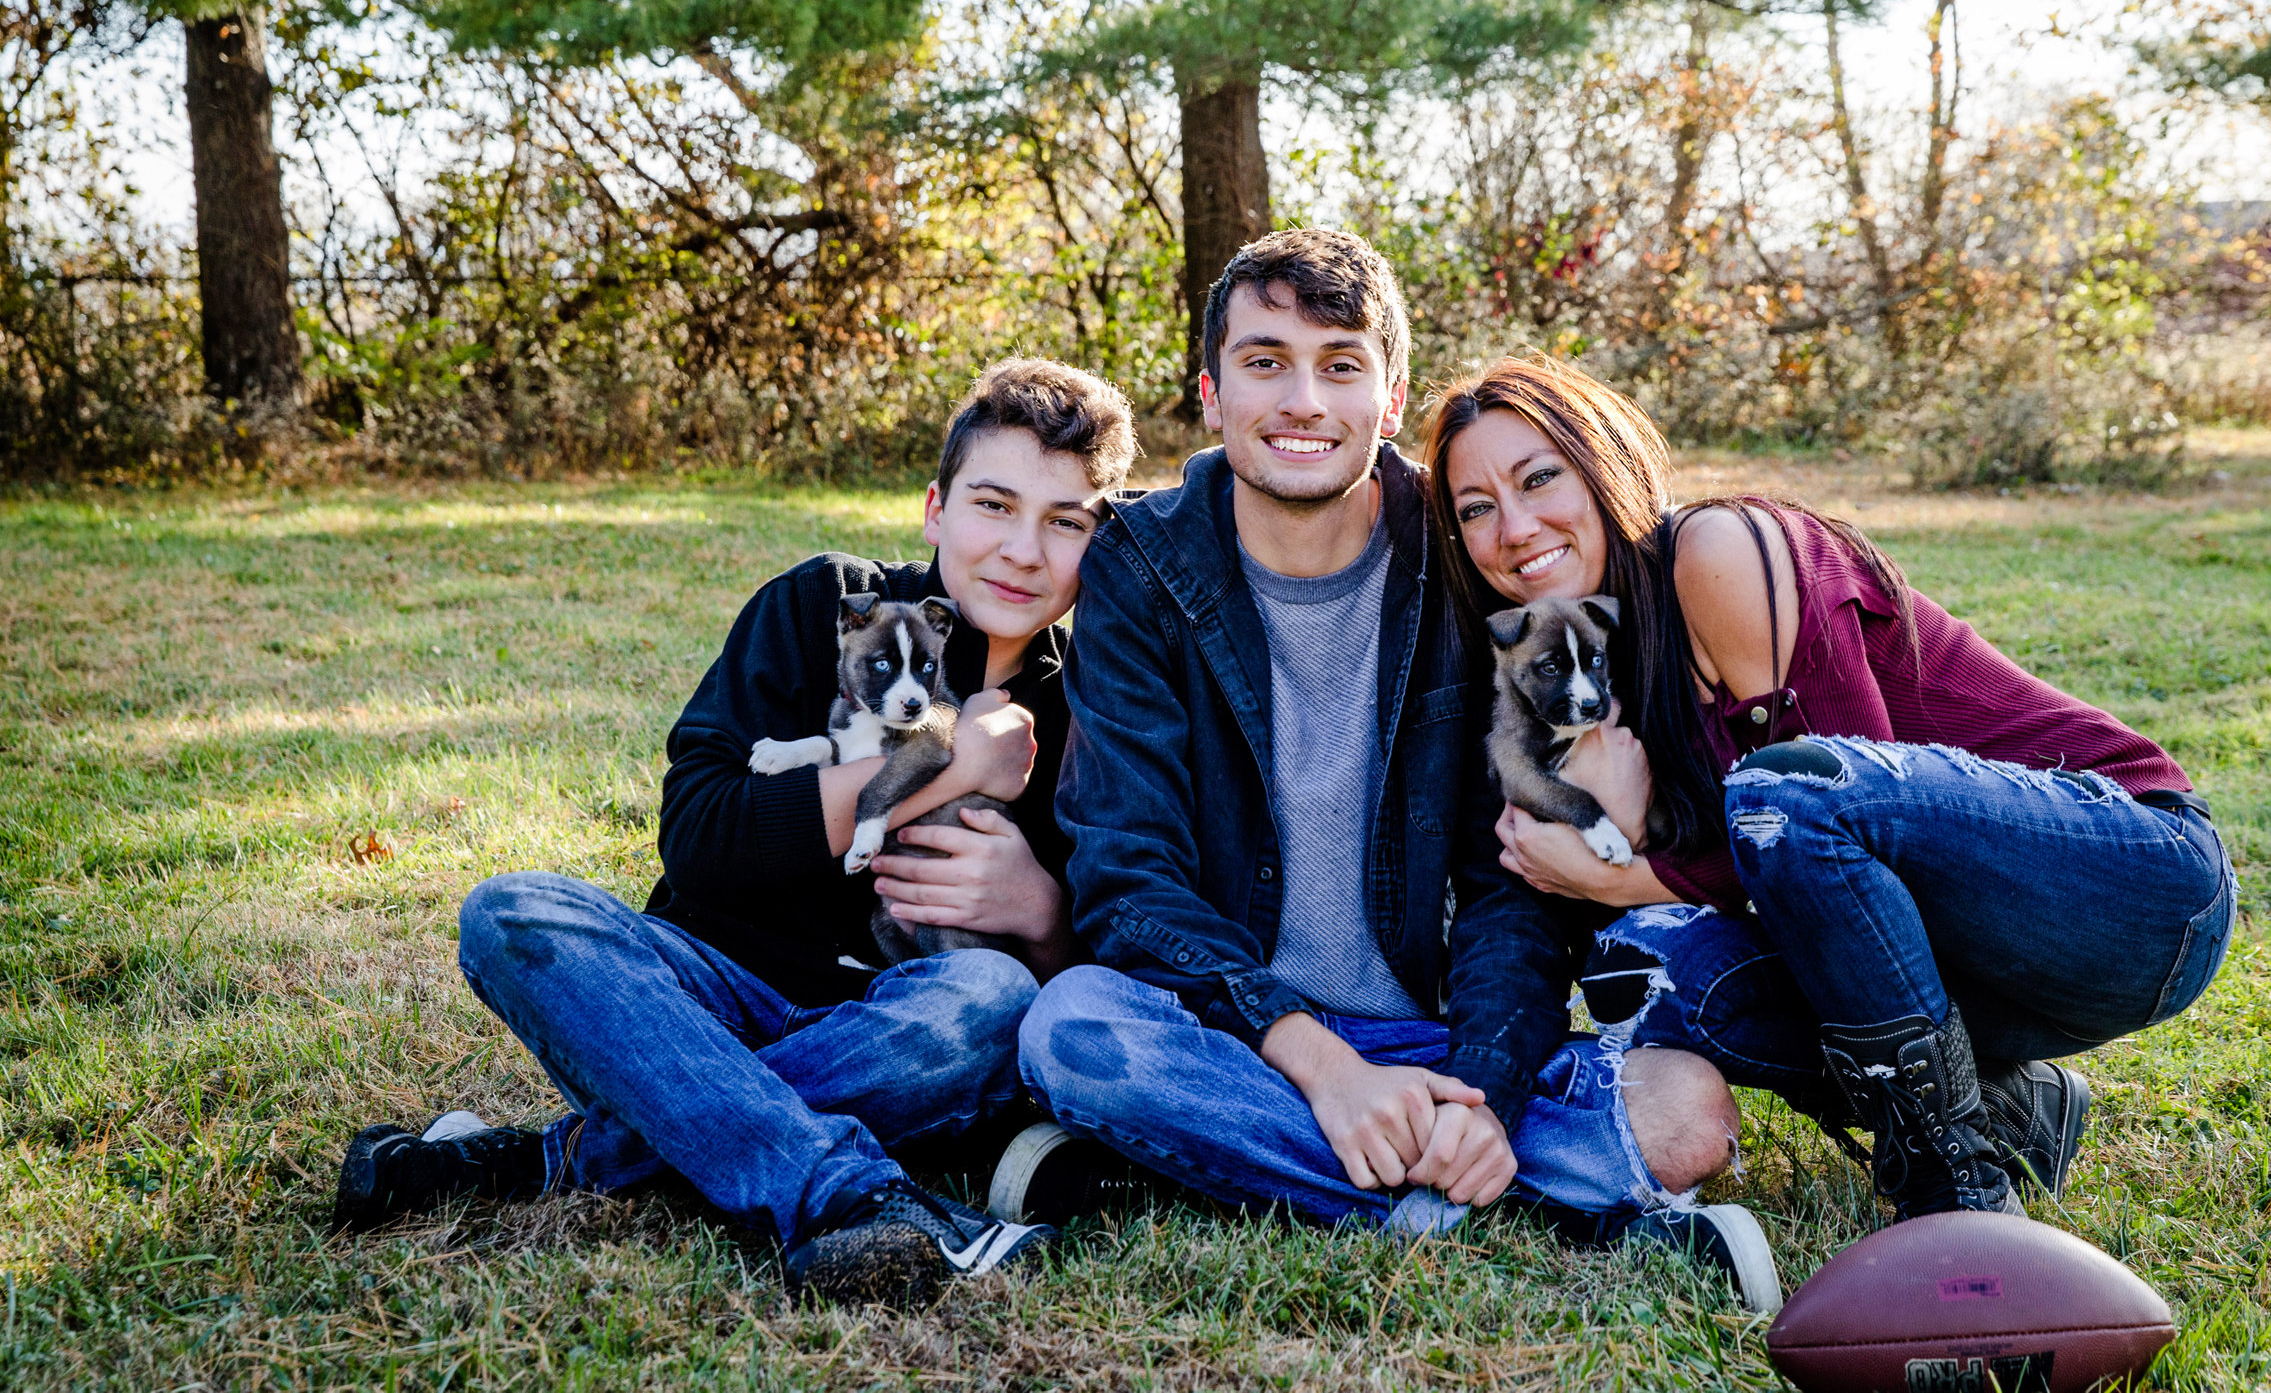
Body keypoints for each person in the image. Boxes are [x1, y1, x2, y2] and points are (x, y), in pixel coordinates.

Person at [1013, 230, 1758, 1263]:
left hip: (1438, 1040)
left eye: (1341, 364)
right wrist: (1327, 1070)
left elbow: (1513, 882)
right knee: (1073, 1028)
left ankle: (1242, 1161)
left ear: (1392, 395)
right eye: (1266, 361)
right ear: (1213, 393)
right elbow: (1128, 879)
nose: (1304, 400)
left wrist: (1485, 1093)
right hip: (1240, 1034)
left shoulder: (1463, 548)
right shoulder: (1138, 570)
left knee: (1689, 1105)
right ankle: (1497, 1197)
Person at [332, 359, 1138, 1306]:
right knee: (512, 913)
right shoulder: (821, 606)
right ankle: (847, 1190)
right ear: (934, 508)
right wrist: (954, 765)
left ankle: (565, 1155)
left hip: (902, 1033)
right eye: (993, 505)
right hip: (709, 993)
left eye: (1066, 522)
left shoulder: (1097, 705)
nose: (1022, 551)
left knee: (994, 995)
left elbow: (1097, 979)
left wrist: (1037, 912)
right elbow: (702, 838)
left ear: (1099, 543)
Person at [1423, 356, 2236, 1226]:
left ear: (1602, 464)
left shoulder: (1717, 553)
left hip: (2134, 889)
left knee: (1790, 799)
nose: (1513, 527)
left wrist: (1631, 869)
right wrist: (1477, 1107)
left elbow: (1832, 823)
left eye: (1538, 477)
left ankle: (1954, 1197)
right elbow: (1511, 920)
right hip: (1979, 975)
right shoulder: (1544, 684)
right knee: (1659, 972)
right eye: (1476, 509)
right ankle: (2008, 1107)